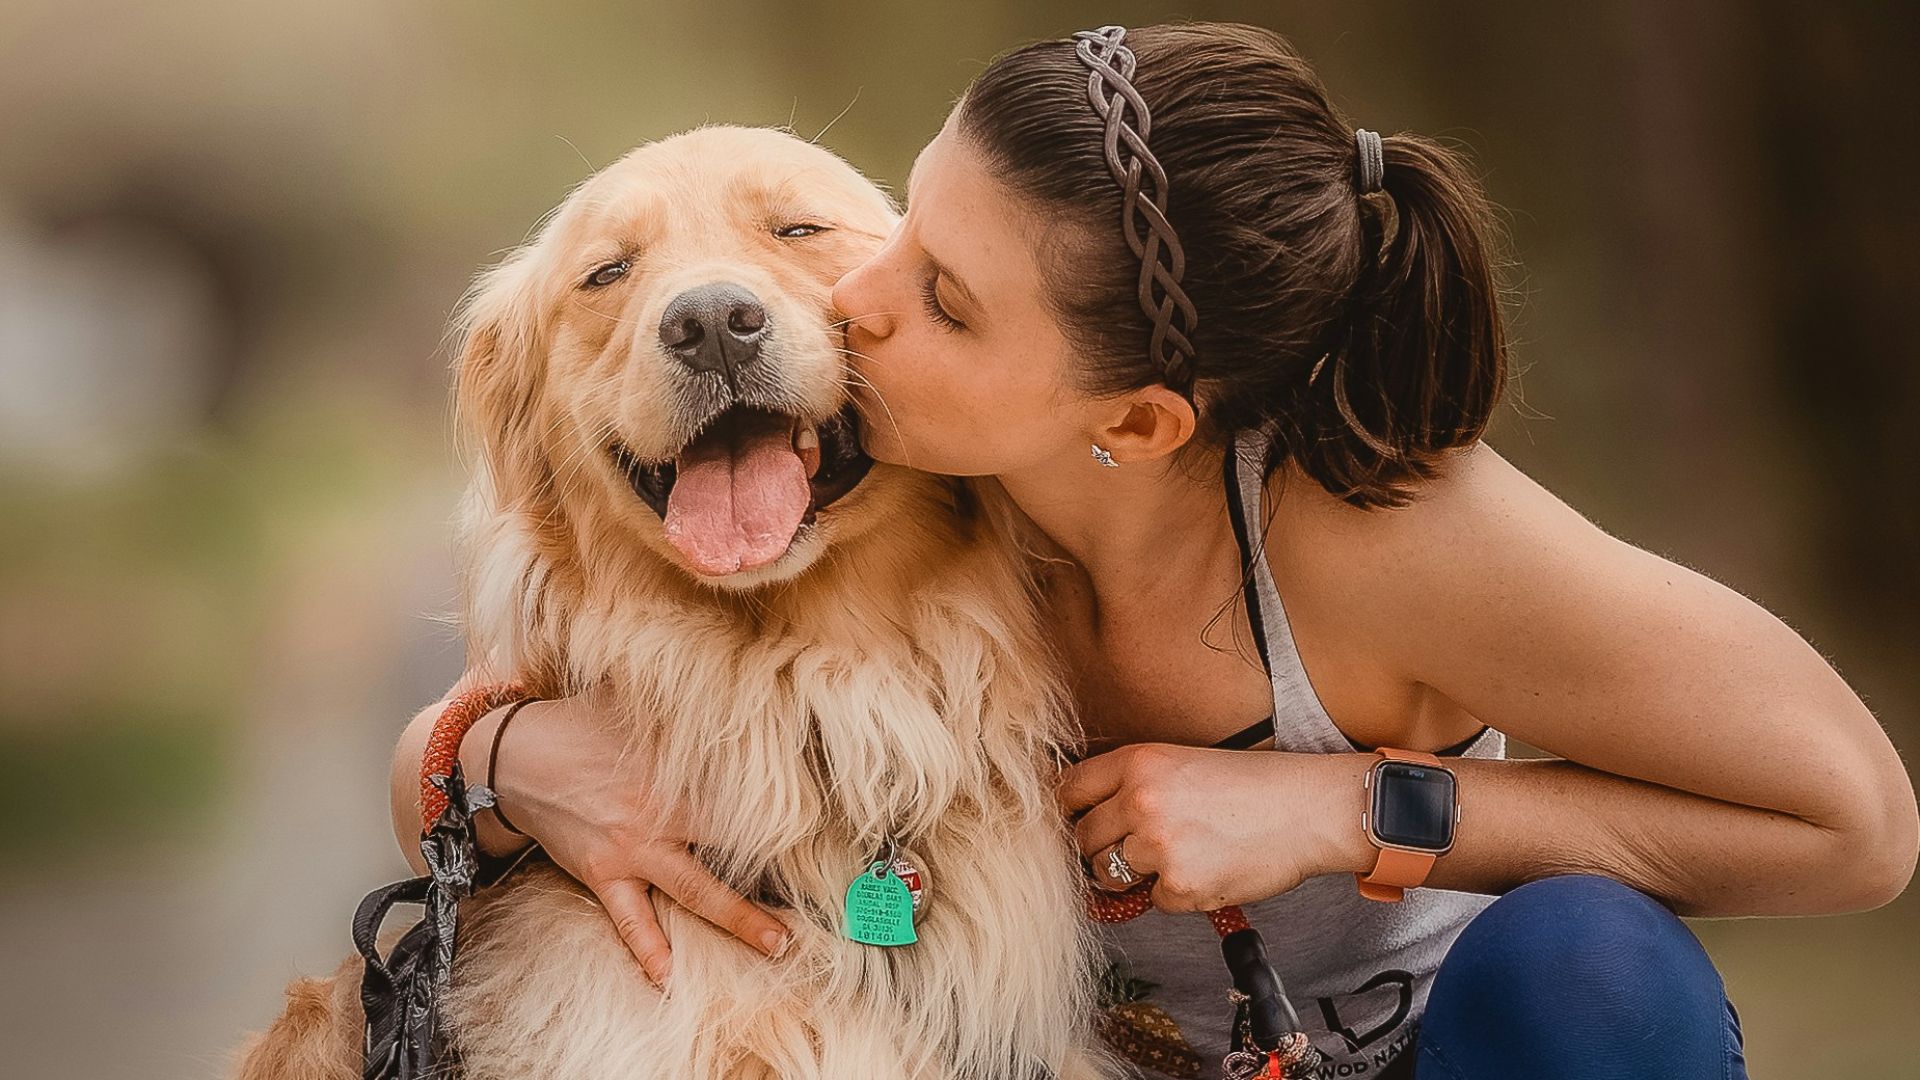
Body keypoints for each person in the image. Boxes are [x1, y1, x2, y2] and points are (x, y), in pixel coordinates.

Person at [389, 22, 1917, 1079]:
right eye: (900, 234)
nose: (850, 307)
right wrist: (499, 756)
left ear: (1133, 422)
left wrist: (1336, 806)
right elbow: (497, 764)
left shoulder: (1374, 527)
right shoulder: (914, 542)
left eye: (942, 300)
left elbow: (1852, 827)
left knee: (1590, 961)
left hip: (1444, 1047)